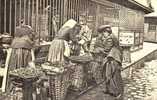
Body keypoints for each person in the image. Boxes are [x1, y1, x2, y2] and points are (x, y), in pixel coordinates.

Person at [96, 25, 124, 99]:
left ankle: (118, 93)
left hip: (113, 58)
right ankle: (110, 90)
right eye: (103, 33)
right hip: (111, 57)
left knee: (114, 75)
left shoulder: (110, 38)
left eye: (104, 33)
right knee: (108, 74)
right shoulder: (110, 37)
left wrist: (99, 49)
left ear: (107, 32)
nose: (103, 34)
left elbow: (106, 50)